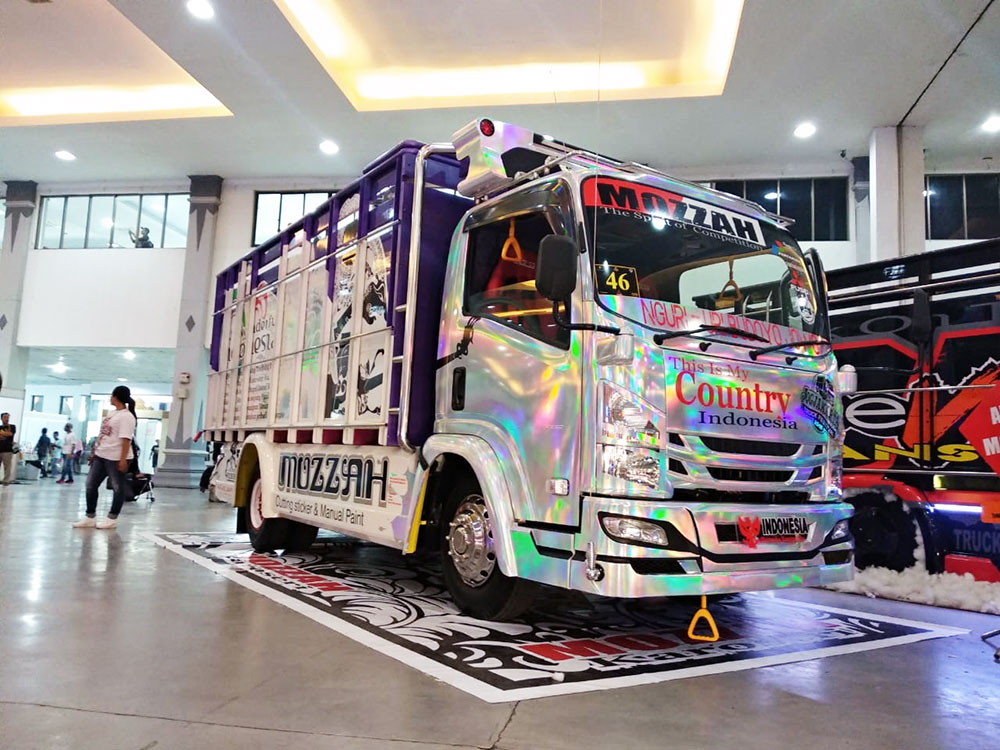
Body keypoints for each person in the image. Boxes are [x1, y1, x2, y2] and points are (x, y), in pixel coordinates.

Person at [73, 386, 137, 529]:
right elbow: (103, 435)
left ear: (116, 396)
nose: (110, 398)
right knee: (90, 485)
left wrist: (123, 460)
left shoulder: (127, 416)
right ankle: (90, 517)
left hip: (116, 457)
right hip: (101, 455)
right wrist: (94, 453)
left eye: (111, 395)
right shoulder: (112, 413)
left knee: (117, 487)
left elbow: (126, 439)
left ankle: (112, 518)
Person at [0, 413, 16, 485]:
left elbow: (10, 434)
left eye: (8, 417)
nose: (7, 419)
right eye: (5, 417)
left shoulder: (12, 426)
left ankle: (6, 480)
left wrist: (3, 433)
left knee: (7, 466)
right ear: (1, 418)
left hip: (7, 450)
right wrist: (4, 434)